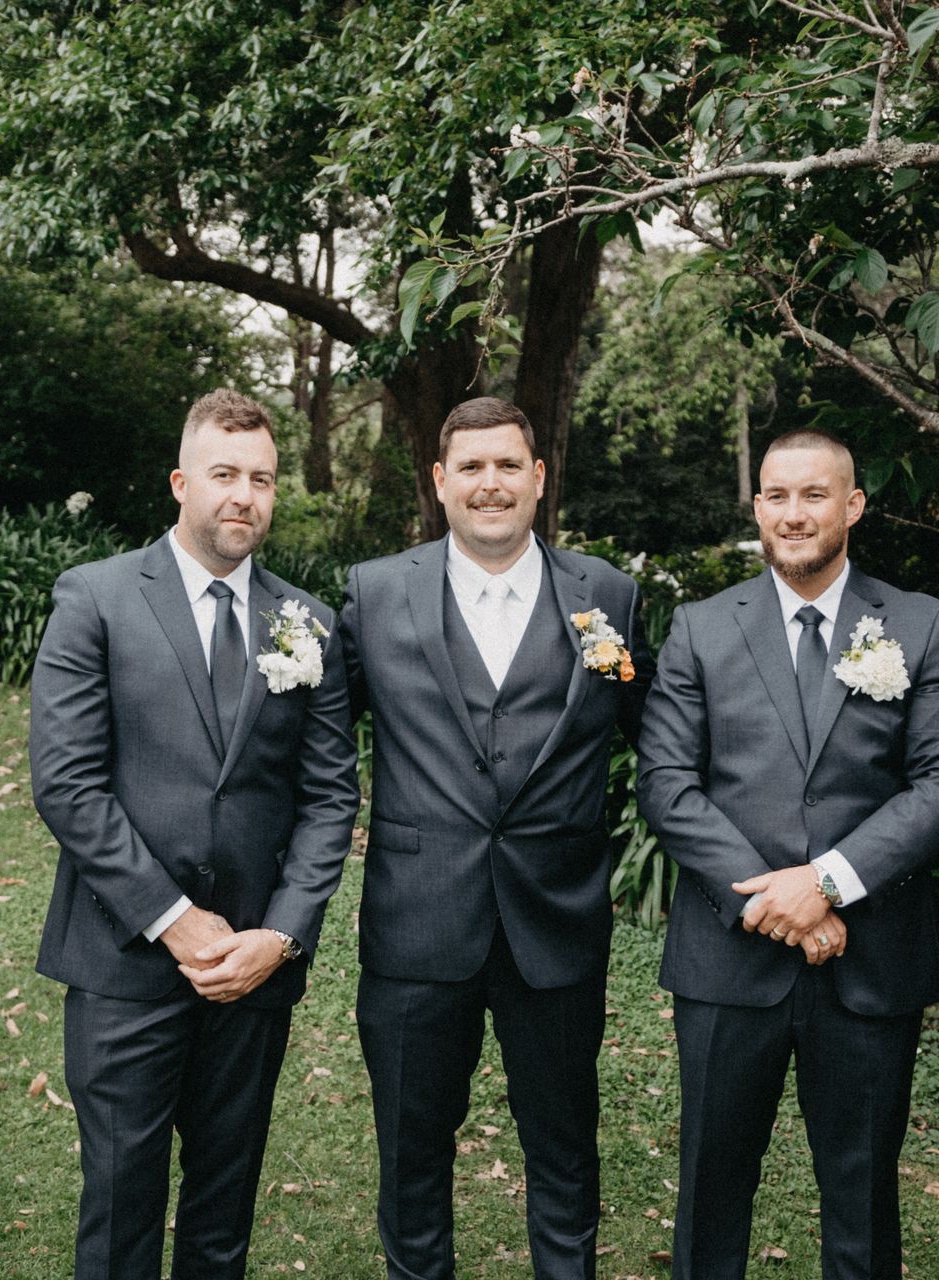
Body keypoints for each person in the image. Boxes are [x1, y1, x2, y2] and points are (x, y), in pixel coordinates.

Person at [29, 389, 360, 1280]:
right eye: (224, 475)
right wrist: (174, 917)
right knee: (120, 1202)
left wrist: (281, 936)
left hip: (252, 965)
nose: (243, 497)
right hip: (124, 958)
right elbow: (66, 783)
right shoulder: (95, 599)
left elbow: (330, 800)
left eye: (261, 479)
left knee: (224, 1204)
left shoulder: (309, 623)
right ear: (182, 482)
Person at [636, 432, 939, 1280]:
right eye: (776, 496)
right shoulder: (701, 627)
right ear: (757, 506)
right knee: (710, 1190)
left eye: (815, 495)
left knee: (862, 1194)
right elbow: (668, 784)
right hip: (727, 959)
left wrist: (826, 884)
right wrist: (772, 904)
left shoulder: (920, 624)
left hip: (870, 961)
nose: (794, 514)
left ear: (853, 505)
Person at [338, 396, 652, 1280]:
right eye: (470, 468)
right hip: (415, 925)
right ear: (440, 483)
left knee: (563, 1153)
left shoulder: (609, 595)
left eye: (508, 465)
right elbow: (313, 753)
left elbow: (660, 743)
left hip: (555, 926)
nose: (490, 484)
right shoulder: (374, 592)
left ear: (539, 477)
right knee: (410, 1159)